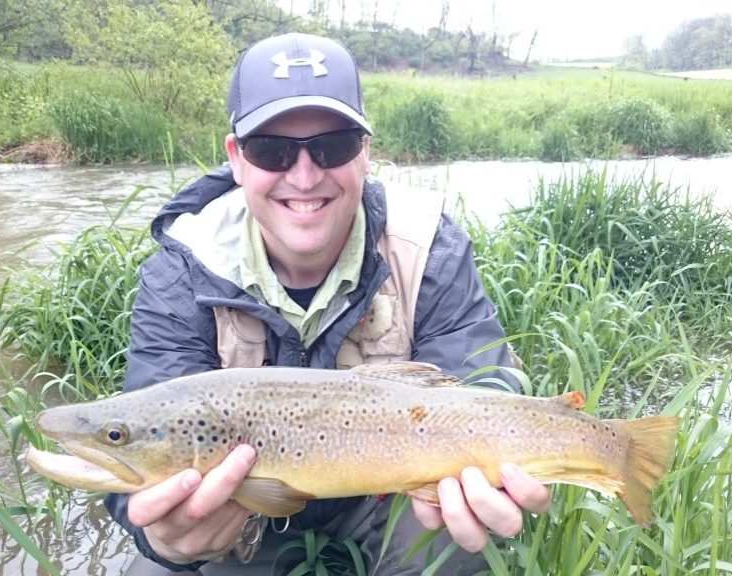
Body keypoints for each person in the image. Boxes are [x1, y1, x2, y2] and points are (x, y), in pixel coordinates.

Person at [105, 32, 551, 575]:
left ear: (365, 152)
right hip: (249, 508)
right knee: (156, 566)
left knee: (458, 543)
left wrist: (493, 469)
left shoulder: (428, 244)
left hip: (390, 497)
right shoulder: (182, 268)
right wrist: (161, 535)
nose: (305, 175)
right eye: (271, 150)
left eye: (332, 145)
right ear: (237, 158)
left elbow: (479, 376)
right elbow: (143, 431)